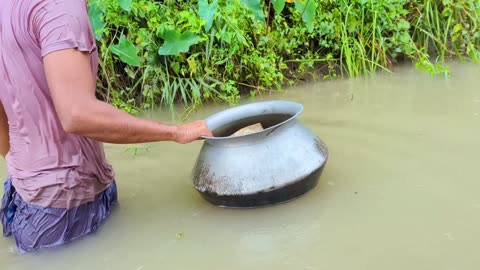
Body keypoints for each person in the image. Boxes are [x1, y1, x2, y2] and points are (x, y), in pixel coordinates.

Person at [0, 0, 213, 253]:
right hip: (66, 207)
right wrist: (175, 132)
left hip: (26, 198)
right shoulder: (59, 7)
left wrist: (17, 161)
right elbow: (76, 114)